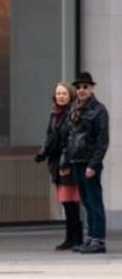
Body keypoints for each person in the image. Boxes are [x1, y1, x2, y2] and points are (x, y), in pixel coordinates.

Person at [62, 72, 108, 254]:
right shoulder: (74, 109)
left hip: (89, 163)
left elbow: (102, 141)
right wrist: (66, 161)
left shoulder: (99, 110)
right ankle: (90, 238)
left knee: (94, 201)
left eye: (85, 87)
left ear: (92, 88)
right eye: (79, 87)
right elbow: (69, 137)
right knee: (86, 202)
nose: (81, 90)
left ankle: (99, 240)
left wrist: (93, 165)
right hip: (76, 161)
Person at [34, 83, 82, 251]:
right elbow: (50, 136)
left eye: (64, 93)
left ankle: (76, 238)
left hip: (66, 162)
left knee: (71, 202)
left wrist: (66, 162)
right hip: (56, 162)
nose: (61, 96)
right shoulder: (55, 114)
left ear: (70, 95)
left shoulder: (73, 113)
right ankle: (70, 238)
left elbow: (72, 139)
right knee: (66, 202)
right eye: (58, 93)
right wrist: (43, 152)